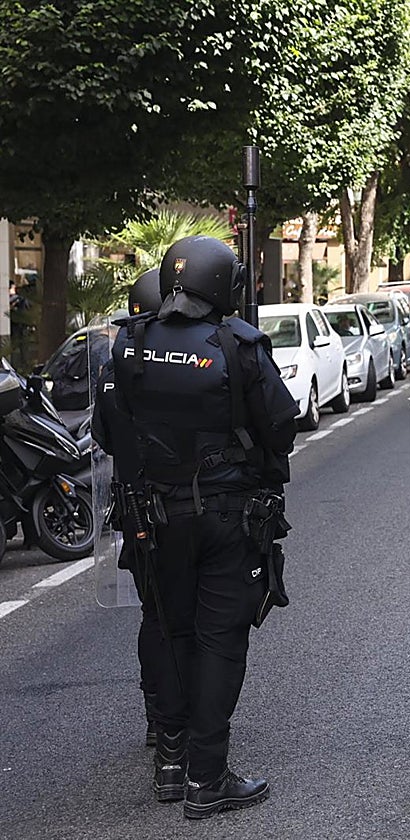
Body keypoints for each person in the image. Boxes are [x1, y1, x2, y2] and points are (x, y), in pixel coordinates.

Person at [105, 235, 299, 819]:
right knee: (220, 641)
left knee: (169, 630)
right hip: (225, 516)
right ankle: (207, 778)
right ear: (222, 284)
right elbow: (282, 426)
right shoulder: (238, 344)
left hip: (154, 516)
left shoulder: (130, 341)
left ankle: (170, 763)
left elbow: (116, 427)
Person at [93, 270, 163, 748]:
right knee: (191, 617)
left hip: (133, 512)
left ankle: (158, 715)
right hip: (179, 508)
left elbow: (101, 438)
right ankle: (185, 721)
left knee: (154, 616)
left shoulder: (111, 371)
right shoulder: (182, 365)